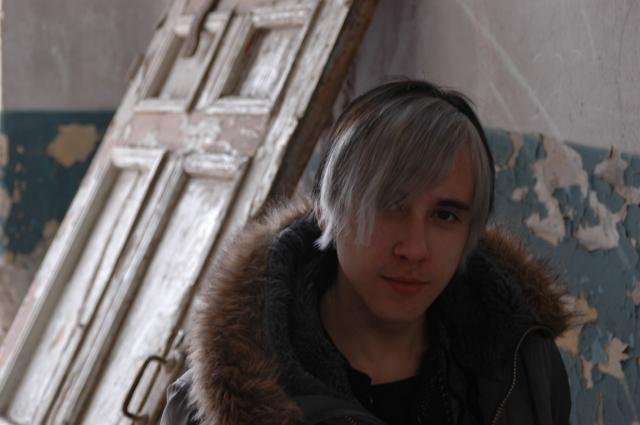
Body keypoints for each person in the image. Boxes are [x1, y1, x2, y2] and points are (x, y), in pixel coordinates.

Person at [161, 80, 572, 425]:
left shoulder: (525, 366)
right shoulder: (212, 410)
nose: (414, 248)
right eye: (388, 206)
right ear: (325, 212)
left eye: (445, 215)